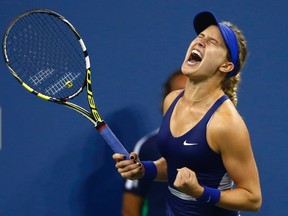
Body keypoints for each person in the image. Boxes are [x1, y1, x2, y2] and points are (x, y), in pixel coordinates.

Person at [113, 11, 262, 216]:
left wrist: (200, 192)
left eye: (212, 42)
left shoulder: (226, 123)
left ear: (226, 65)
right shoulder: (172, 100)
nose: (200, 42)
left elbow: (252, 198)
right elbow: (176, 164)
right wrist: (144, 169)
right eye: (200, 36)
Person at [122, 70, 187, 216]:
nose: (185, 99)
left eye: (193, 92)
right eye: (178, 94)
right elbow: (130, 209)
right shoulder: (148, 147)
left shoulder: (222, 140)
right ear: (166, 100)